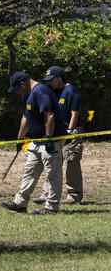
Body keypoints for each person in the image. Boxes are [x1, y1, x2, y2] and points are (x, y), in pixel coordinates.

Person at [1, 71, 66, 215]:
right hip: (36, 142)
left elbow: (49, 115)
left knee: (53, 174)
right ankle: (20, 203)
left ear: (22, 83)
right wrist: (20, 138)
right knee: (29, 172)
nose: (17, 92)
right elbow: (26, 117)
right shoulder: (26, 95)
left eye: (17, 89)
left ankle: (52, 207)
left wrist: (49, 138)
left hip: (50, 141)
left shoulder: (41, 91)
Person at [32, 66, 83, 204]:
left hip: (70, 132)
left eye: (51, 80)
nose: (49, 83)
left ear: (59, 78)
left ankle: (74, 196)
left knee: (71, 163)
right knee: (53, 162)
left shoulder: (71, 91)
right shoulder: (56, 92)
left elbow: (75, 113)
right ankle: (46, 193)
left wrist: (70, 131)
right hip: (59, 132)